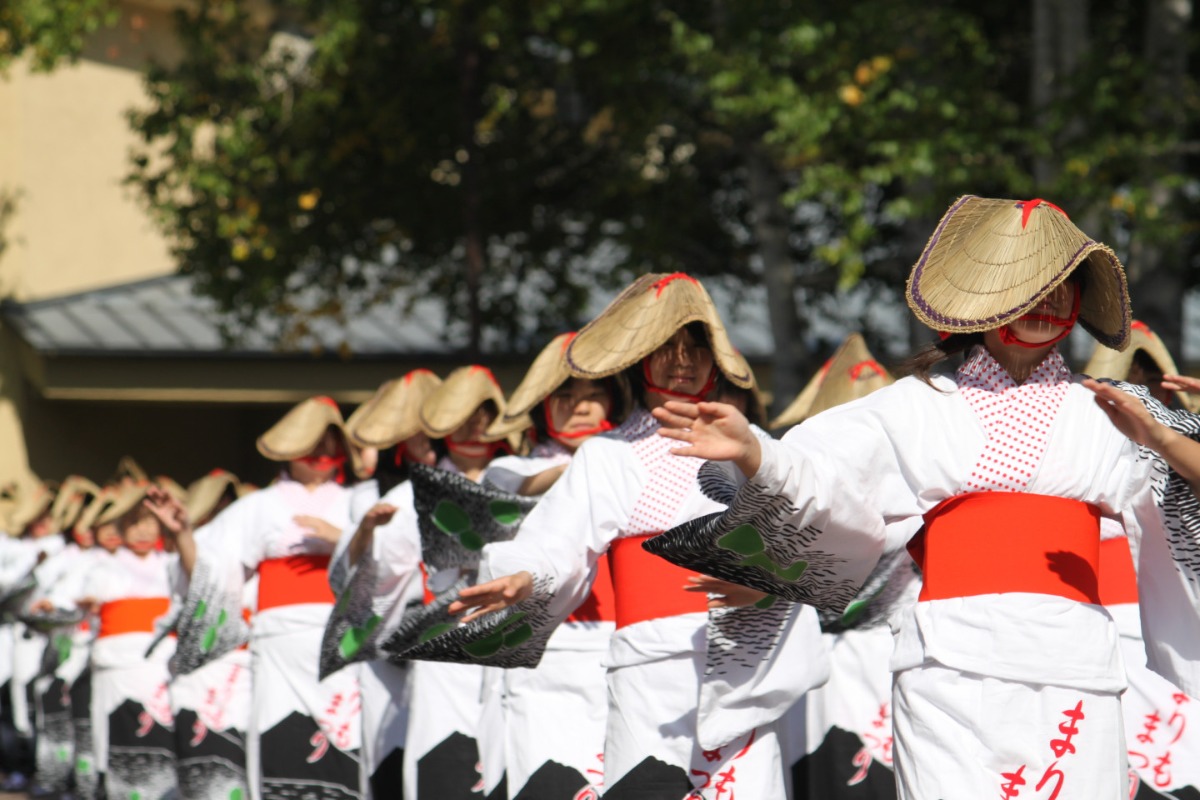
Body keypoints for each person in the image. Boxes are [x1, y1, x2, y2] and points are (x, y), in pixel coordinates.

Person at [647, 196, 1200, 799]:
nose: (1049, 300)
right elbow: (822, 473)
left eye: (1063, 286)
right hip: (945, 666)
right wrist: (753, 451)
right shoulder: (909, 405)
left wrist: (1163, 439)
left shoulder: (1112, 412)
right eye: (1031, 284)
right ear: (988, 296)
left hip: (1074, 667)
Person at [445, 273, 828, 800]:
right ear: (640, 360)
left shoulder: (753, 445)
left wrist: (767, 581)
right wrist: (525, 577)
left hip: (739, 657)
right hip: (646, 664)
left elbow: (803, 528)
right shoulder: (607, 455)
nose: (683, 361)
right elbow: (561, 539)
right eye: (667, 349)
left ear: (716, 358)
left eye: (696, 347)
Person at [153, 396, 364, 799]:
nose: (321, 452)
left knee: (347, 744)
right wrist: (181, 534)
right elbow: (214, 570)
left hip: (346, 642)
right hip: (279, 648)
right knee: (280, 741)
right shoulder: (258, 507)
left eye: (329, 442)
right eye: (311, 442)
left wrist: (346, 541)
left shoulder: (362, 500)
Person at [472, 332, 626, 799]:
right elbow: (514, 491)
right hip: (542, 654)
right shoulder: (508, 471)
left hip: (620, 650)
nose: (580, 407)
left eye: (594, 395)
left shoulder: (632, 463)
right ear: (543, 406)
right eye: (565, 396)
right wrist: (600, 460)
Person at [328, 368, 442, 798]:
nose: (429, 441)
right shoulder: (372, 498)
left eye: (437, 430)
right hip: (389, 640)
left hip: (459, 643)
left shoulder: (482, 481)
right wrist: (364, 532)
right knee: (394, 748)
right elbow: (344, 577)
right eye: (418, 433)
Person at [78, 480, 178, 800]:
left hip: (160, 663)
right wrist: (87, 603)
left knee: (161, 731)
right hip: (117, 665)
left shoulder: (171, 565)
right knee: (118, 732)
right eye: (133, 523)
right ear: (120, 528)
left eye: (149, 521)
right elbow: (84, 597)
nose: (143, 531)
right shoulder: (103, 566)